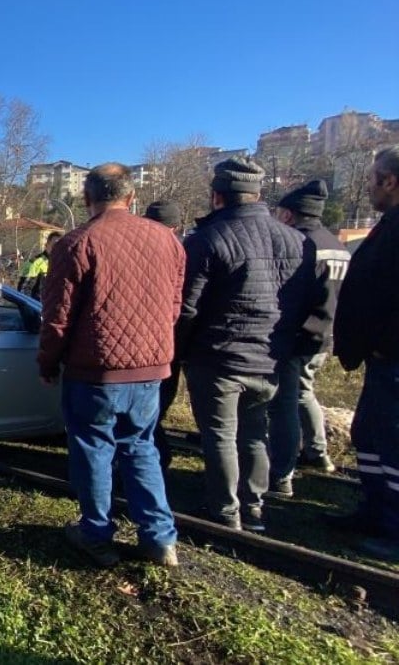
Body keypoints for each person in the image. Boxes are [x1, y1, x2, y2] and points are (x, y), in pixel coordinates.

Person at [38, 163, 184, 568]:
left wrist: (48, 361)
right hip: (151, 369)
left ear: (87, 199)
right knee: (141, 447)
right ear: (131, 197)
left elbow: (57, 317)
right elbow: (174, 306)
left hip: (96, 372)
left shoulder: (76, 243)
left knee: (93, 449)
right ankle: (159, 539)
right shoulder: (168, 241)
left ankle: (95, 533)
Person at [175, 158, 316, 533]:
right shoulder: (297, 241)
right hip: (270, 357)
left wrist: (179, 350)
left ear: (217, 196)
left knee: (220, 435)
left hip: (218, 355)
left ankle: (224, 511)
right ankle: (253, 507)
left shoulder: (207, 239)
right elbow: (301, 302)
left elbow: (187, 307)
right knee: (255, 434)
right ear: (256, 194)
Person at [331, 145, 399, 561]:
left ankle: (393, 527)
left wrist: (381, 341)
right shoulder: (387, 225)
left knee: (392, 443)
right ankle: (375, 510)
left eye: (372, 179)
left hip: (392, 356)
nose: (368, 186)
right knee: (370, 435)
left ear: (390, 181)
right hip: (381, 358)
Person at [267, 180, 348, 498]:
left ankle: (281, 473)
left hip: (299, 335)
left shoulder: (301, 245)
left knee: (284, 403)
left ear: (289, 215)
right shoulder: (336, 244)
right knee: (304, 393)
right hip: (324, 334)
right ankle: (317, 452)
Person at [144, 200, 184, 470]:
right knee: (154, 410)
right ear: (177, 226)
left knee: (146, 415)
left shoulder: (139, 252)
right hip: (171, 345)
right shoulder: (180, 250)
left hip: (147, 346)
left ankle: (156, 457)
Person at [17, 231, 61, 300]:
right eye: (54, 245)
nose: (56, 248)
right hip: (37, 307)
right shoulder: (35, 262)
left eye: (60, 246)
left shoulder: (61, 264)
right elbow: (23, 291)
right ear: (46, 245)